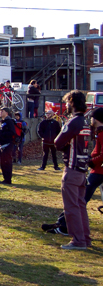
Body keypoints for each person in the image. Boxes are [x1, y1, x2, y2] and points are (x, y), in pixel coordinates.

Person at [54, 90, 91, 250]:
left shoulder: (73, 121)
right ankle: (85, 238)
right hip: (83, 169)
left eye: (68, 101)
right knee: (80, 205)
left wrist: (64, 147)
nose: (66, 105)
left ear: (72, 102)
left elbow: (58, 142)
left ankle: (78, 240)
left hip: (72, 169)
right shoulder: (85, 122)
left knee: (71, 207)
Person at [0, 107, 16, 185]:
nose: (0, 112)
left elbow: (12, 132)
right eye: (0, 111)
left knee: (7, 162)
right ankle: (5, 178)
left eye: (2, 111)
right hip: (1, 145)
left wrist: (2, 135)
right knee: (2, 163)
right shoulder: (2, 122)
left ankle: (8, 180)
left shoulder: (9, 121)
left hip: (7, 144)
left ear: (7, 113)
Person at [85, 107, 103, 204]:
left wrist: (91, 161)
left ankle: (63, 219)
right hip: (98, 168)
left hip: (99, 170)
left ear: (95, 119)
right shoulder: (99, 133)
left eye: (91, 118)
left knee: (83, 197)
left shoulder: (102, 134)